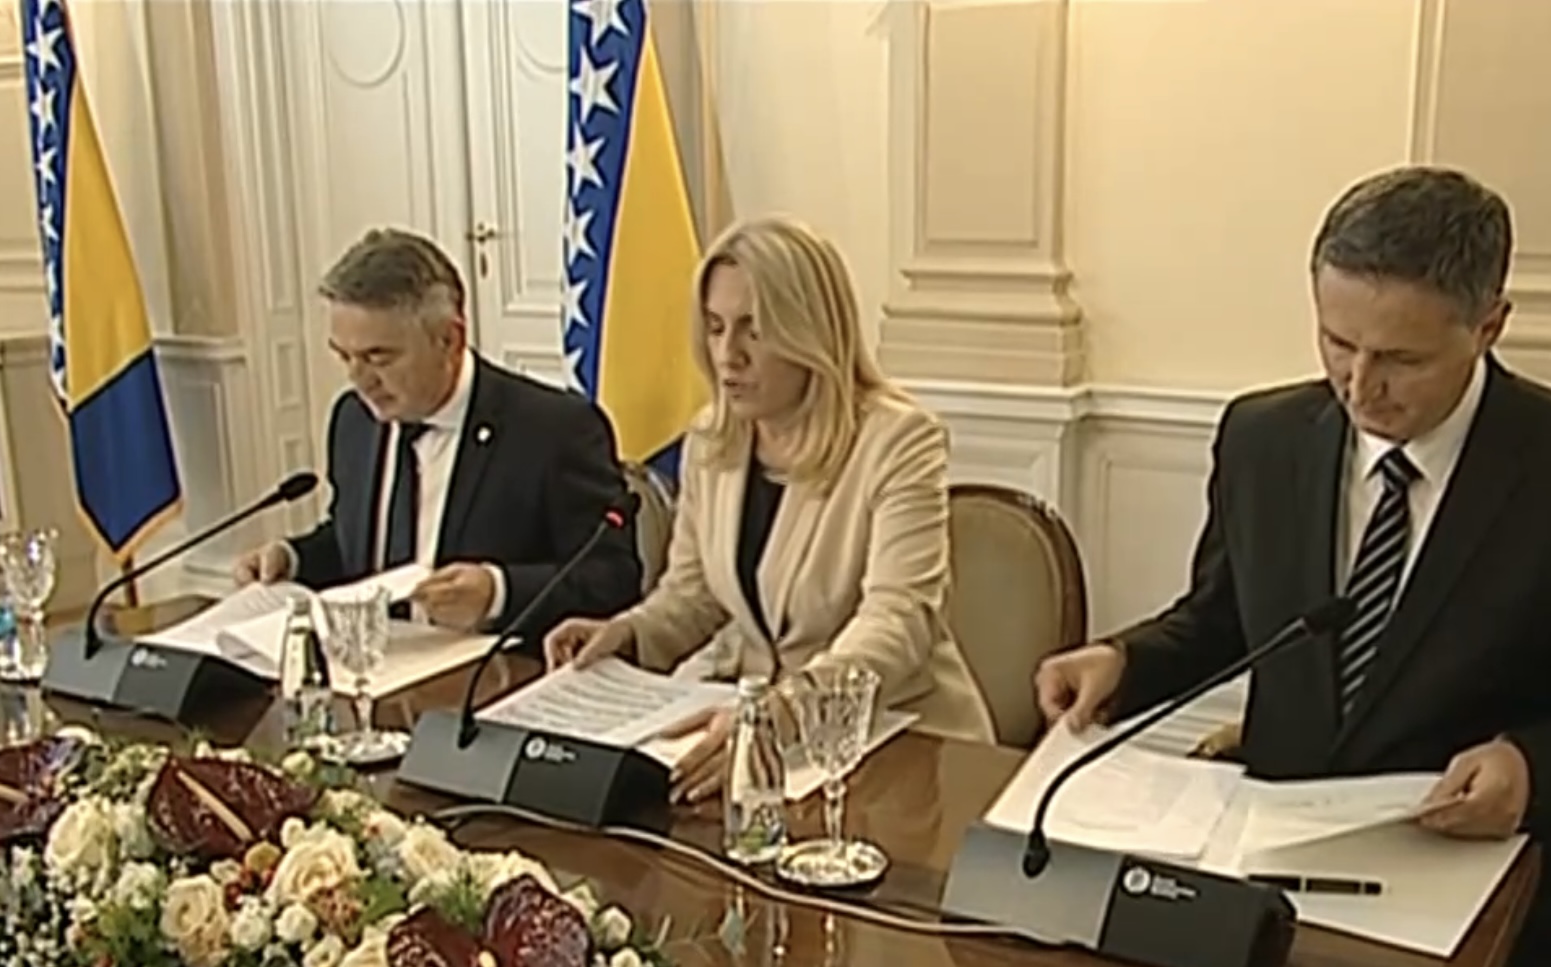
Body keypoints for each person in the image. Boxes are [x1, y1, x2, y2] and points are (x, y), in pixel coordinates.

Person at [1034, 166, 1551, 967]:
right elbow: (1222, 618)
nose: (1359, 385)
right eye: (1335, 342)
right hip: (1269, 913)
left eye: (1401, 359)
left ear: (1488, 325)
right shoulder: (1261, 439)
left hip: (1497, 935)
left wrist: (1532, 768)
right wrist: (1124, 661)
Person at [545, 215, 996, 803]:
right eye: (715, 328)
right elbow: (693, 595)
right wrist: (628, 634)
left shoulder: (898, 441)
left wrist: (781, 715)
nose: (727, 356)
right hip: (752, 737)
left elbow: (897, 622)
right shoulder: (713, 437)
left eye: (753, 331)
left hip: (897, 748)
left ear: (811, 331)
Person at [233, 227, 642, 638]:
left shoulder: (553, 430)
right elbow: (357, 546)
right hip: (370, 662)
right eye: (344, 356)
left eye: (378, 357)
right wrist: (293, 559)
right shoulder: (353, 420)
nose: (359, 379)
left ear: (449, 339)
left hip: (489, 666)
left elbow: (612, 578)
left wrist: (498, 591)